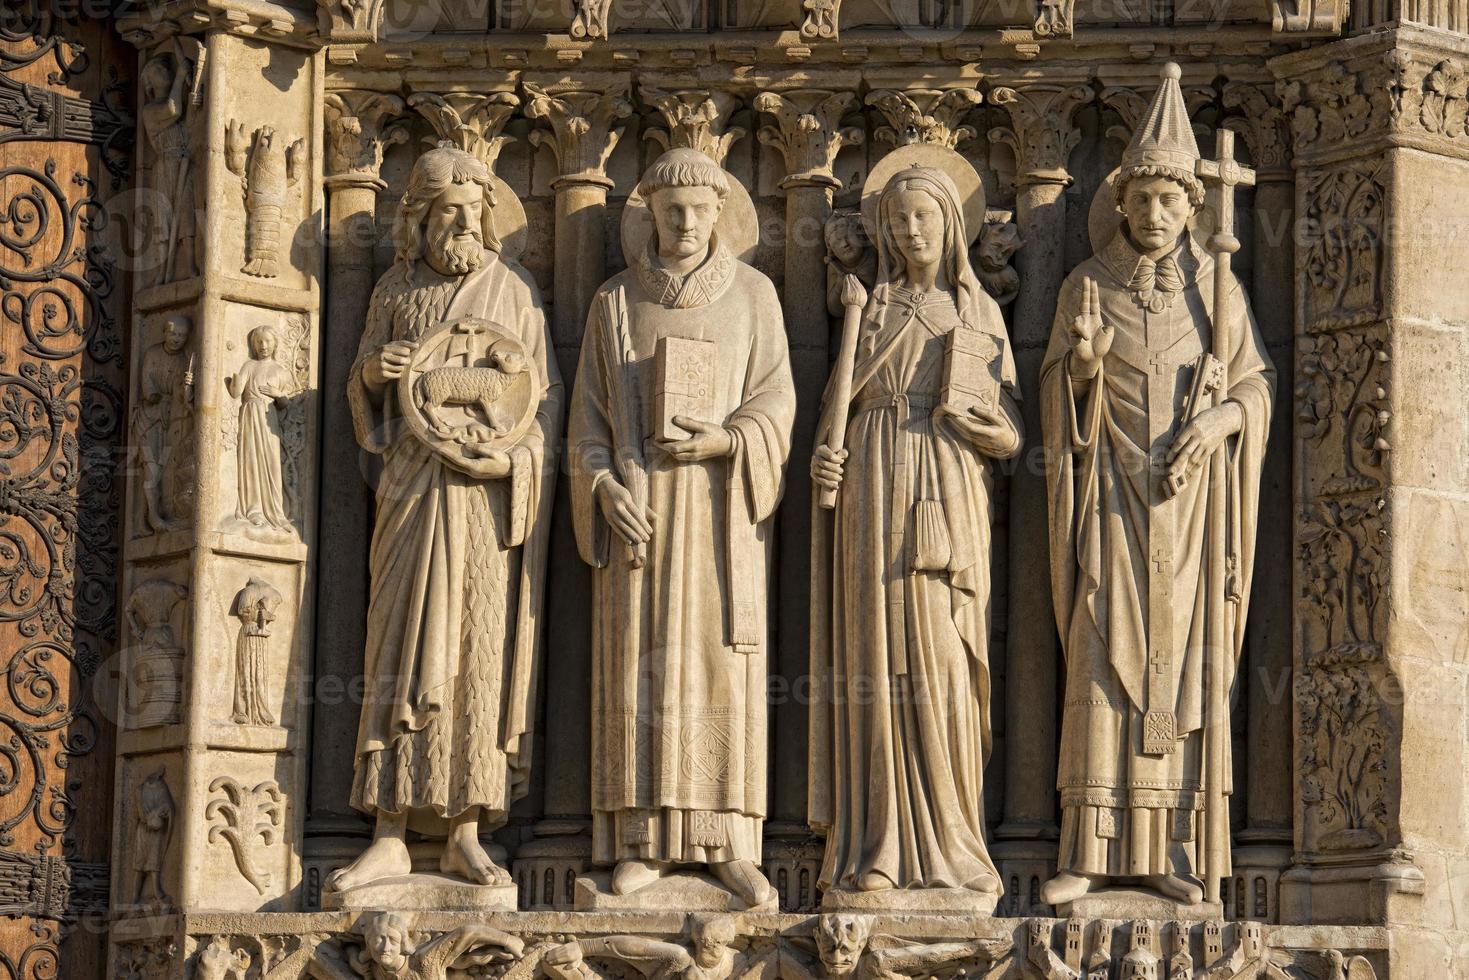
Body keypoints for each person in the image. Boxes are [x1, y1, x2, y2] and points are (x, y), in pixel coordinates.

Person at [1039, 64, 1275, 906]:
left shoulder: (1218, 293)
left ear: (1190, 211)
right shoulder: (1086, 284)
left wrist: (1216, 425)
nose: (1152, 214)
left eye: (1169, 202)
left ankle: (1171, 847)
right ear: (1121, 205)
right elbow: (1055, 390)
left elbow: (1253, 385)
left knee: (1180, 672)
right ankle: (1091, 847)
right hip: (1109, 502)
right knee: (1102, 661)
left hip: (1188, 512)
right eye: (1139, 200)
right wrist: (1082, 371)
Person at [327, 143, 562, 894]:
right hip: (408, 490)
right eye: (445, 213)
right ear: (420, 220)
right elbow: (360, 390)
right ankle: (389, 829)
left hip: (480, 500)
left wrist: (511, 460)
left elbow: (538, 403)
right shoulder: (394, 291)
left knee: (473, 648)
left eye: (472, 211)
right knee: (396, 645)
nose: (460, 224)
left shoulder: (514, 291)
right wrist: (375, 373)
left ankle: (465, 828)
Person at [569, 148, 795, 908]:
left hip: (721, 513)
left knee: (719, 667)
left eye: (701, 208)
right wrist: (601, 486)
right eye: (672, 209)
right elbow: (586, 424)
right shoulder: (612, 302)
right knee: (641, 665)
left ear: (721, 213)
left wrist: (725, 441)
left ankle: (727, 841)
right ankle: (642, 841)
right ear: (651, 216)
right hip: (643, 517)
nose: (687, 222)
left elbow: (775, 406)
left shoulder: (755, 295)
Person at [808, 164, 1022, 900]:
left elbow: (1011, 434)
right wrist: (826, 454)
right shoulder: (868, 307)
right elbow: (842, 391)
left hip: (947, 481)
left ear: (949, 226)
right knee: (872, 653)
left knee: (940, 656)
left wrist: (983, 429)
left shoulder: (977, 313)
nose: (909, 232)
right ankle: (877, 844)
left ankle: (954, 846)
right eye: (896, 222)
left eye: (922, 218)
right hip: (873, 472)